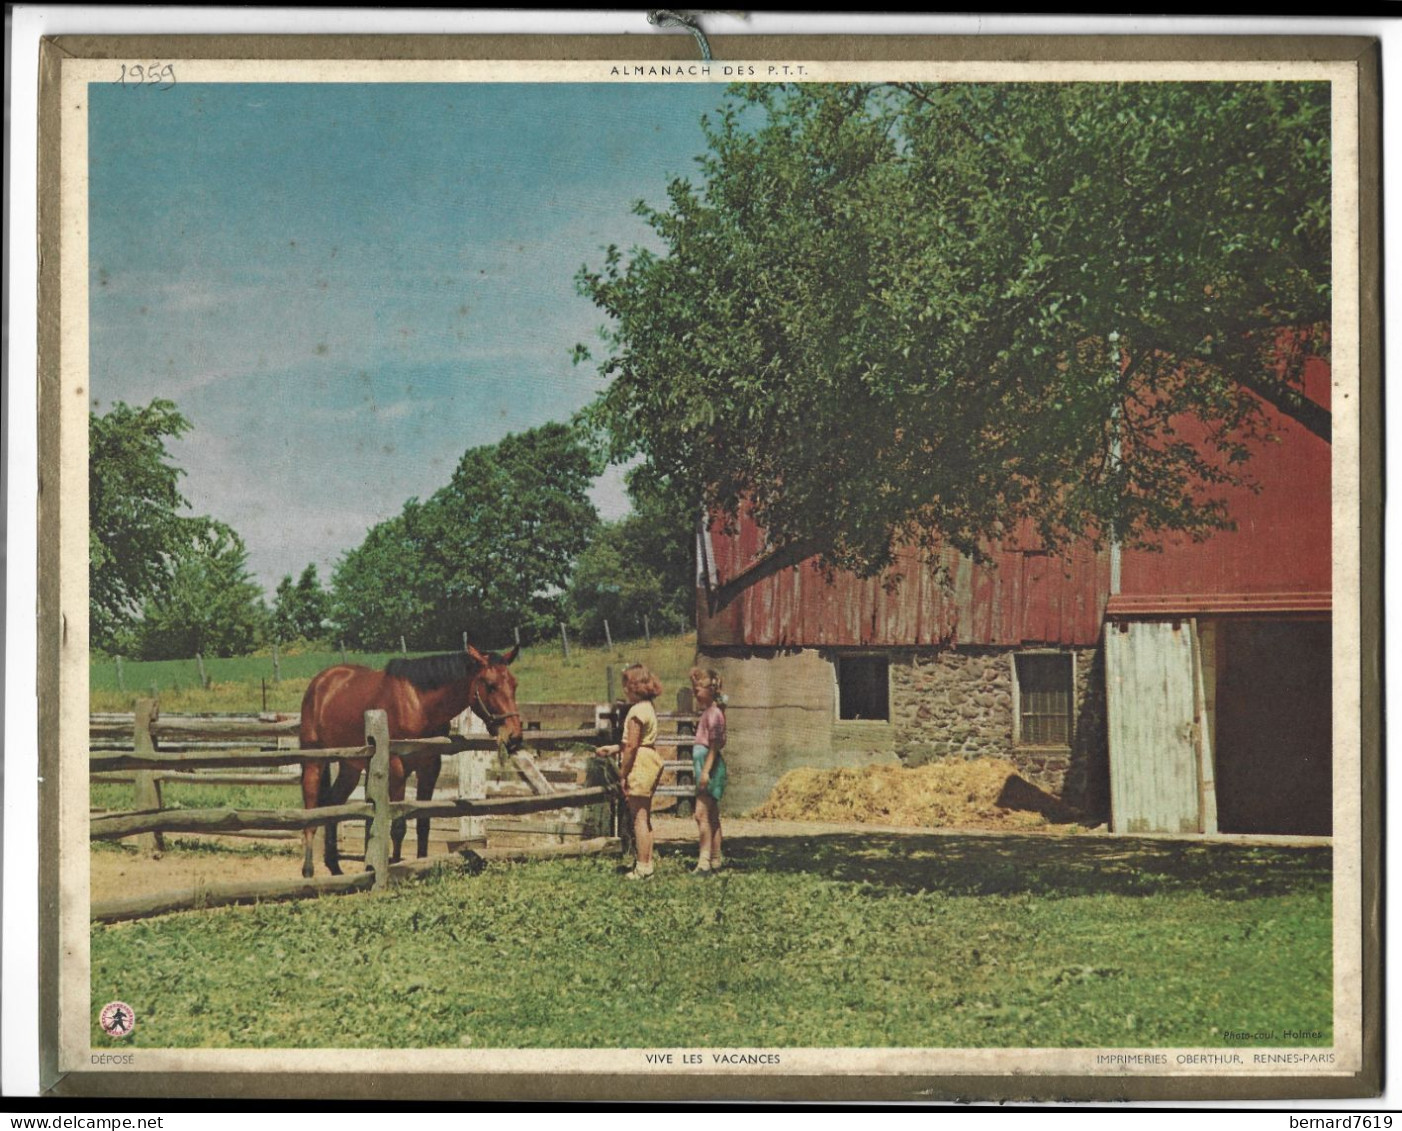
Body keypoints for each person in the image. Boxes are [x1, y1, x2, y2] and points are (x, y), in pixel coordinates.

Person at [596, 663, 665, 880]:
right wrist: (615, 748)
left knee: (639, 818)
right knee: (644, 816)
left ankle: (643, 868)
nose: (624, 690)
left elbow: (633, 746)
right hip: (649, 757)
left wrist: (623, 774)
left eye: (626, 685)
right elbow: (637, 742)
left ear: (634, 687)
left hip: (640, 763)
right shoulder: (648, 708)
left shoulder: (636, 711)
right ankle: (646, 863)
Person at [689, 667, 727, 875]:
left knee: (700, 814)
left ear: (711, 690)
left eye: (698, 689)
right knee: (712, 816)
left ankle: (704, 861)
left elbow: (714, 745)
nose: (695, 693)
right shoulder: (710, 712)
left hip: (709, 768)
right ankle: (715, 859)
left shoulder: (714, 714)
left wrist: (705, 772)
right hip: (704, 766)